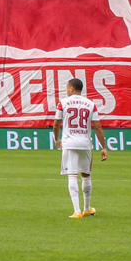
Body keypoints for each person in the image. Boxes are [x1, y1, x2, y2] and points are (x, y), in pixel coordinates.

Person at [54, 77, 108, 218]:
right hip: (85, 143)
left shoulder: (63, 103)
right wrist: (104, 147)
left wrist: (57, 138)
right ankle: (86, 208)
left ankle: (76, 211)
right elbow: (97, 126)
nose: (66, 90)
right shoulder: (91, 104)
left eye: (67, 87)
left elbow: (56, 123)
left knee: (72, 175)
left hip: (69, 143)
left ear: (72, 88)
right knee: (86, 175)